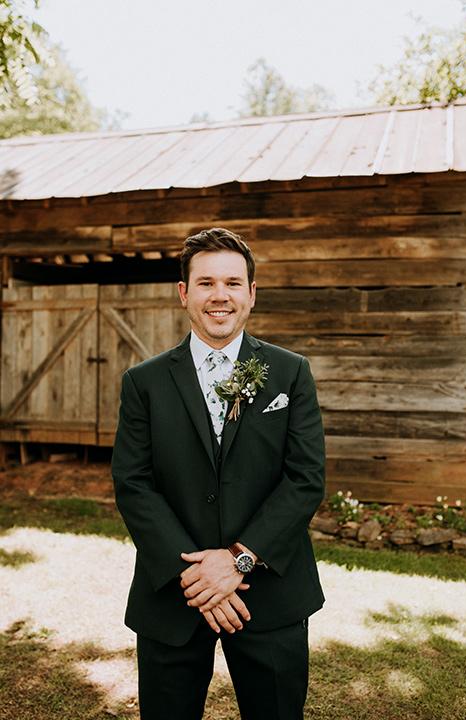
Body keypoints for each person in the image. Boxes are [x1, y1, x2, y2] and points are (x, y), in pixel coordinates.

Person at [111, 227, 326, 720]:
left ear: (251, 293)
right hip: (173, 593)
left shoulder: (290, 373)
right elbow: (133, 482)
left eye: (233, 282)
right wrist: (196, 574)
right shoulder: (143, 382)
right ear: (184, 293)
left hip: (269, 594)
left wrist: (238, 561)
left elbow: (305, 478)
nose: (220, 295)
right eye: (206, 282)